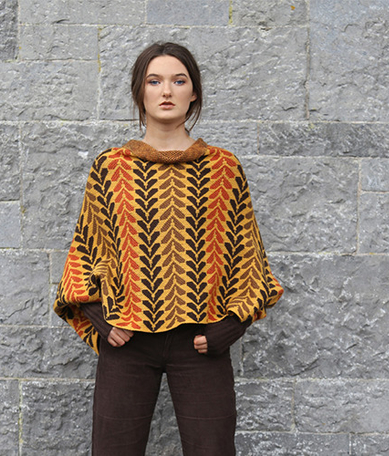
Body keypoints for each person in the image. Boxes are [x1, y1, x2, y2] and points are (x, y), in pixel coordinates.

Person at [54, 42, 283, 456]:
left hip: (201, 341)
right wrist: (101, 319)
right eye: (154, 81)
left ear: (193, 93)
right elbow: (88, 248)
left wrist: (232, 325)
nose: (166, 91)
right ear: (139, 92)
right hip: (127, 341)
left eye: (178, 81)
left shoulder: (224, 168)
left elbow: (247, 254)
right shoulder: (110, 168)